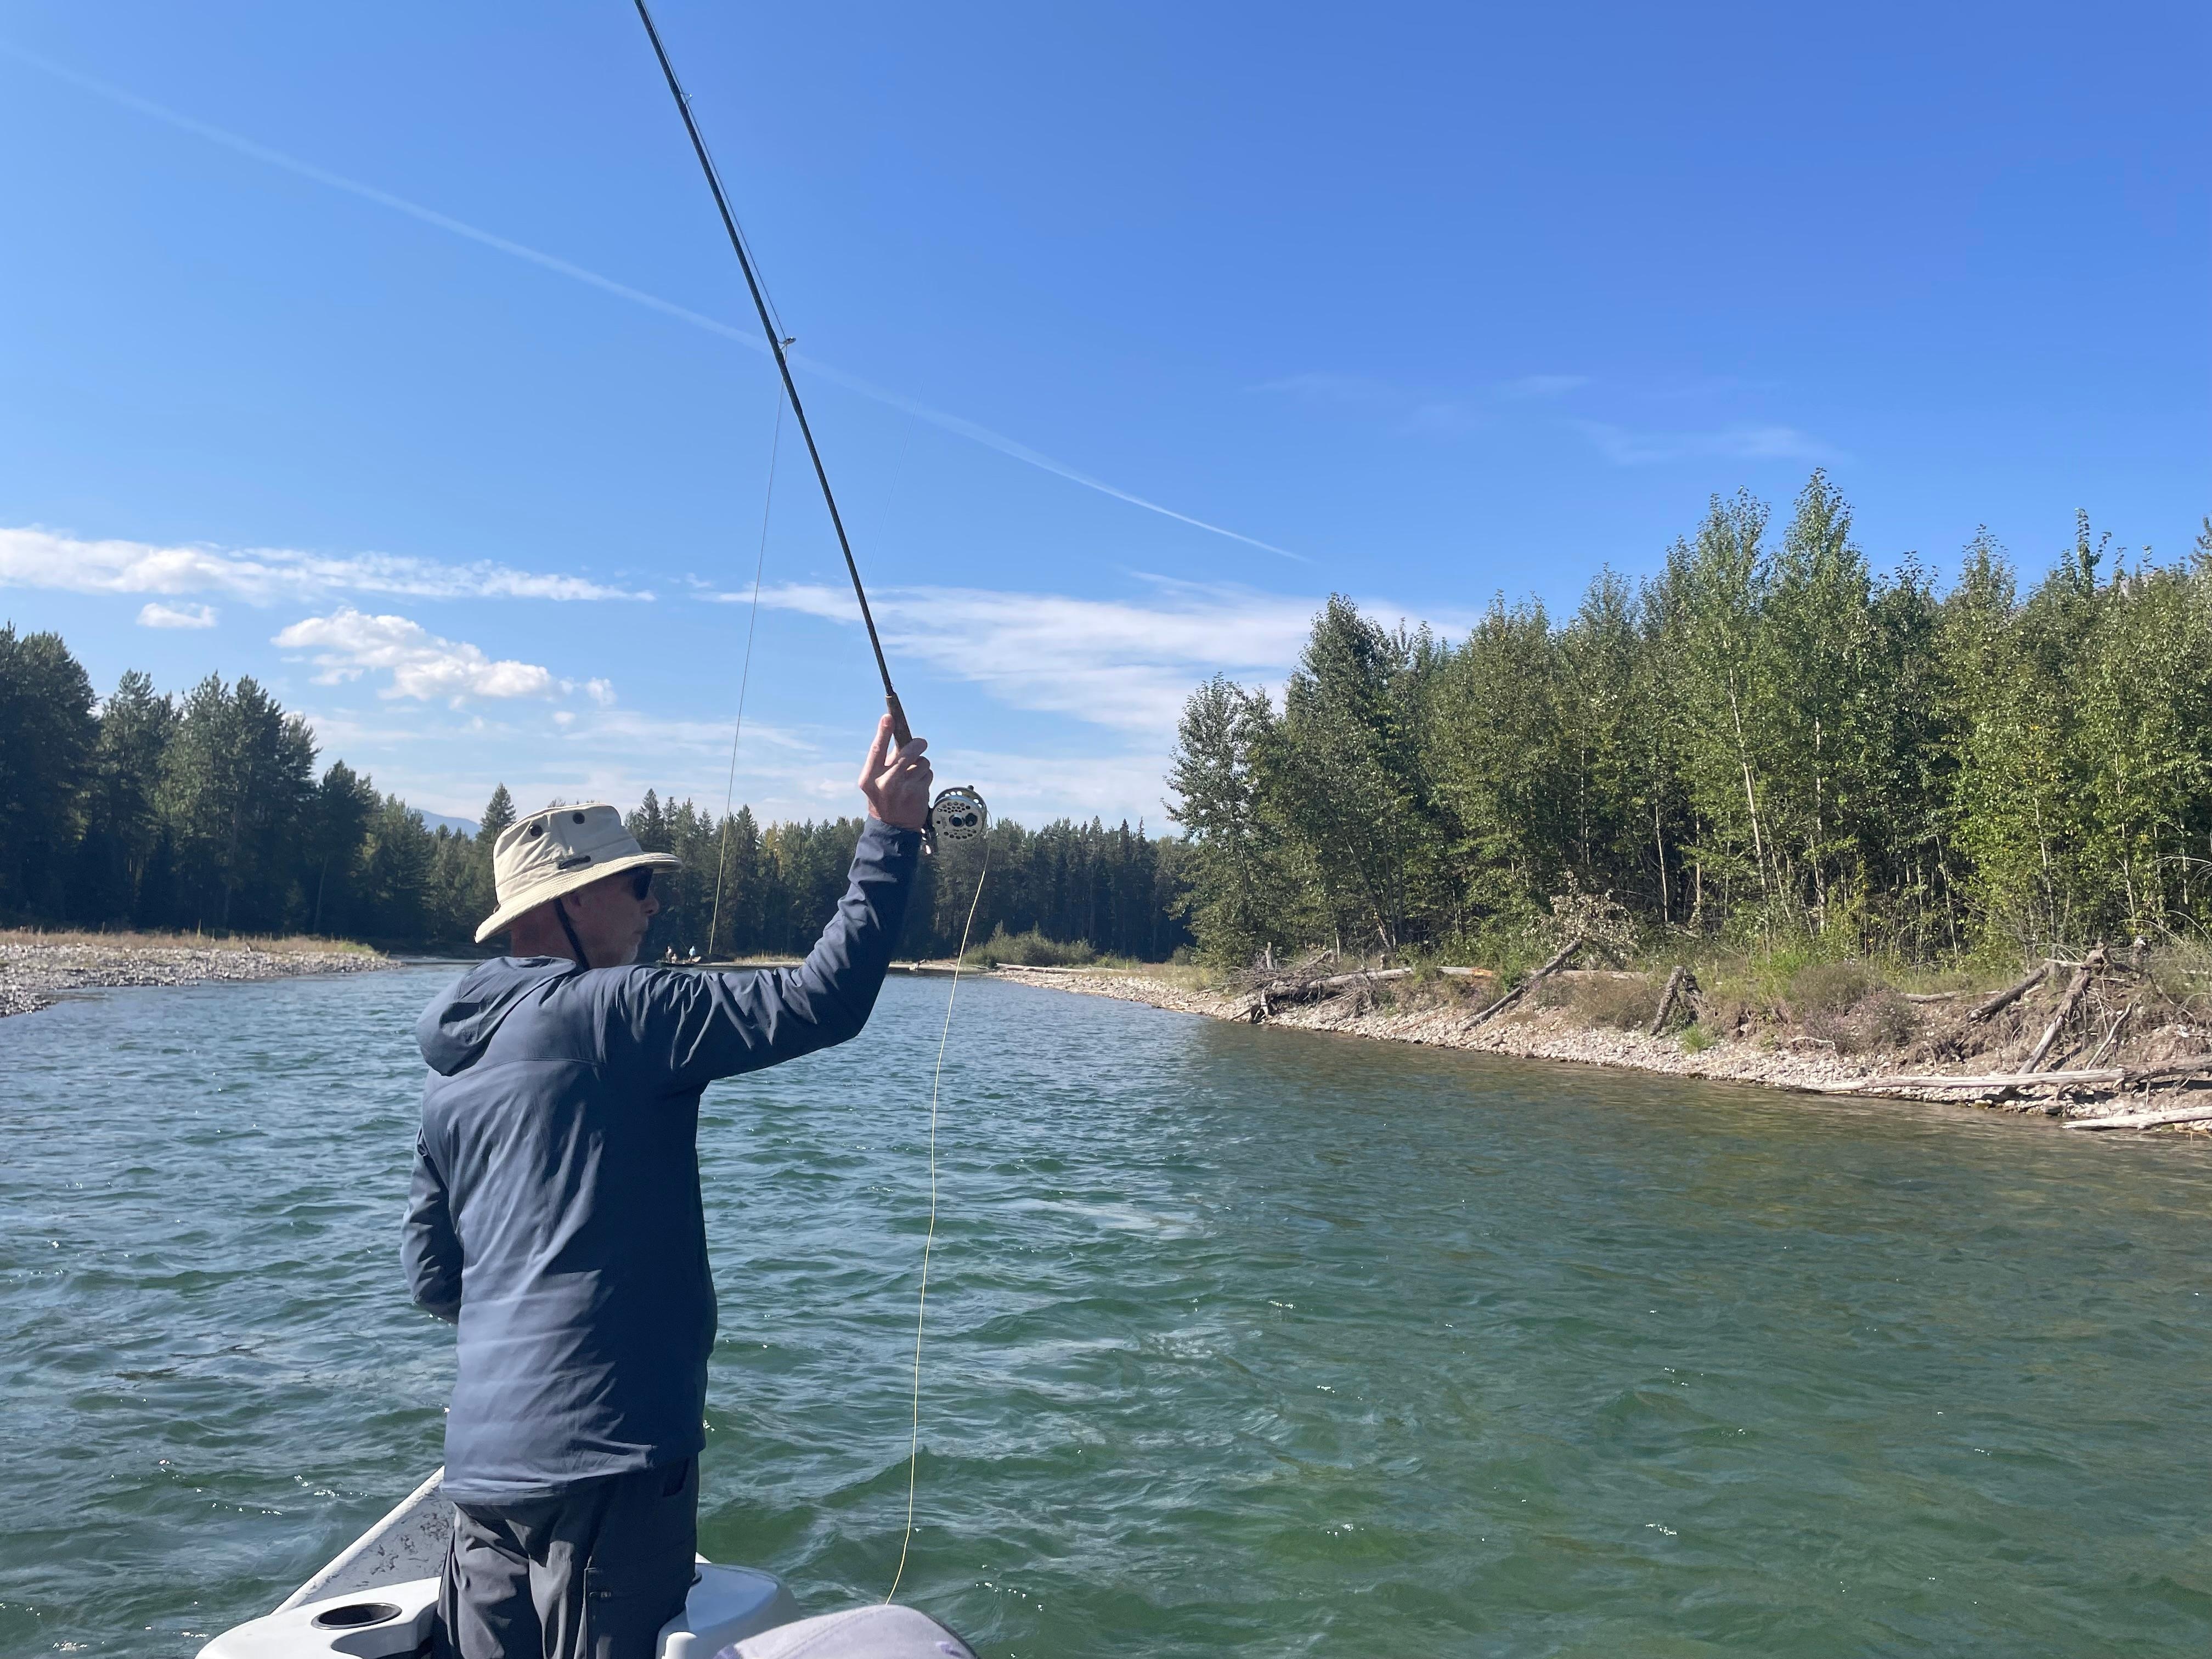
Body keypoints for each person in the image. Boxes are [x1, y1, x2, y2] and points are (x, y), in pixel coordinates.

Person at [403, 716, 932, 1659]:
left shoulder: (450, 1079)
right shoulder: (623, 1008)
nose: (655, 907)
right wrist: (889, 837)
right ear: (571, 901)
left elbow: (435, 1281)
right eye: (639, 885)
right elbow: (821, 1000)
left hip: (481, 1476)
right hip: (612, 1462)